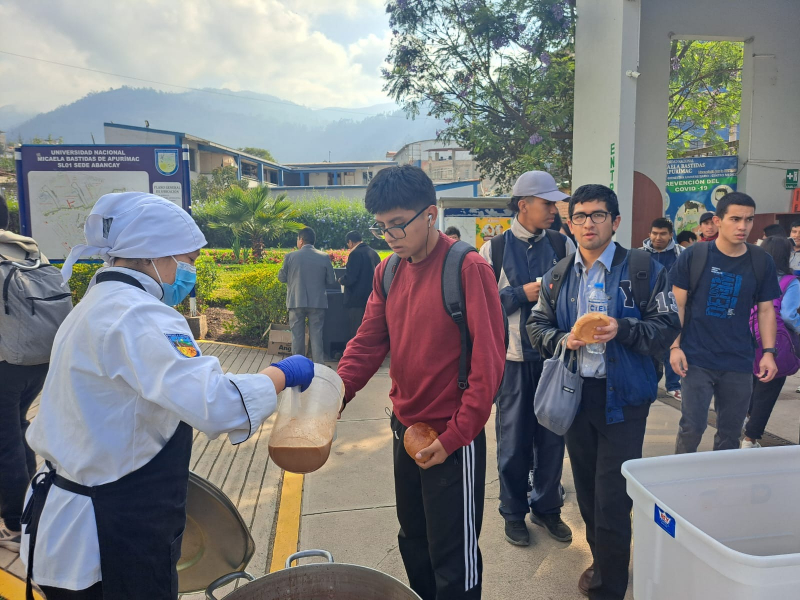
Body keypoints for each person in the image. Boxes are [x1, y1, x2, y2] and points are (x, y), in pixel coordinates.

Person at [19, 192, 315, 600]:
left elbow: (172, 381)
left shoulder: (97, 304)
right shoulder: (139, 315)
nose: (190, 271)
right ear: (153, 255)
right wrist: (280, 374)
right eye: (188, 261)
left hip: (73, 522)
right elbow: (217, 404)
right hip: (112, 538)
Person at [337, 165, 506, 600]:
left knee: (454, 556)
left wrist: (455, 438)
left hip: (452, 438)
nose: (390, 235)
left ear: (430, 214)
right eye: (381, 227)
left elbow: (489, 366)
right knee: (413, 540)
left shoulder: (467, 268)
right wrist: (333, 393)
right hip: (404, 430)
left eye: (398, 223)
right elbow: (368, 342)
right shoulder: (388, 271)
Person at [528, 184, 680, 600]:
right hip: (576, 397)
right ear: (570, 223)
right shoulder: (558, 275)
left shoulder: (644, 269)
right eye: (580, 216)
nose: (588, 223)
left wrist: (623, 329)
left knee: (613, 496)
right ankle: (604, 561)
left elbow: (667, 326)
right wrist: (564, 340)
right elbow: (536, 327)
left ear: (614, 222)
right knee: (591, 494)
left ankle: (608, 587)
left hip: (625, 400)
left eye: (598, 215)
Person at [478, 170, 575, 547]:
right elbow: (485, 306)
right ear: (524, 205)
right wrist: (522, 292)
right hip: (514, 360)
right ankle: (513, 513)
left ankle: (547, 508)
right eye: (547, 203)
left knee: (553, 437)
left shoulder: (561, 244)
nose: (554, 209)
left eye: (554, 203)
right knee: (514, 442)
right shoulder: (494, 249)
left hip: (553, 358)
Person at [670, 192, 781, 455]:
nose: (742, 226)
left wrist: (768, 353)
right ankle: (679, 481)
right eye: (735, 219)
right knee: (692, 427)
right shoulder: (695, 255)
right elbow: (678, 304)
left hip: (738, 360)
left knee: (730, 433)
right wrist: (675, 347)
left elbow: (766, 311)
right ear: (718, 221)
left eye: (748, 219)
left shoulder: (760, 260)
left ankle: (721, 488)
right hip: (696, 357)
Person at [0, 192, 51, 552]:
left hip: (5, 364)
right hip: (37, 361)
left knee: (5, 442)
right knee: (16, 430)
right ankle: (30, 510)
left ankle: (17, 524)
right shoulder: (26, 249)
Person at [742, 236, 800, 447]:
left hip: (746, 339)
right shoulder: (790, 282)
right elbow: (788, 316)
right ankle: (750, 439)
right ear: (788, 255)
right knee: (767, 392)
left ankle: (744, 422)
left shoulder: (751, 277)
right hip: (775, 345)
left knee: (749, 386)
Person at [278, 227, 336, 363]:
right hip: (317, 302)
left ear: (301, 240)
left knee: (297, 337)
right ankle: (318, 368)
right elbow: (331, 281)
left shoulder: (290, 256)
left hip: (296, 301)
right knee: (317, 336)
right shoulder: (324, 257)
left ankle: (298, 368)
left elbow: (281, 278)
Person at [641, 218, 683, 400]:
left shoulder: (681, 253)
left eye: (663, 233)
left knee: (673, 347)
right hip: (647, 309)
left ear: (670, 235)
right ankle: (646, 382)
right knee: (648, 348)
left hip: (674, 307)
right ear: (649, 234)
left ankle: (673, 385)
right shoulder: (639, 254)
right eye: (655, 233)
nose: (658, 237)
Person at [338, 230, 381, 339]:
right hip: (372, 297)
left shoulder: (355, 254)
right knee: (370, 329)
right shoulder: (373, 252)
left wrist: (341, 280)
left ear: (350, 242)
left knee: (356, 330)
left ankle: (355, 355)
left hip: (356, 299)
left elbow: (351, 277)